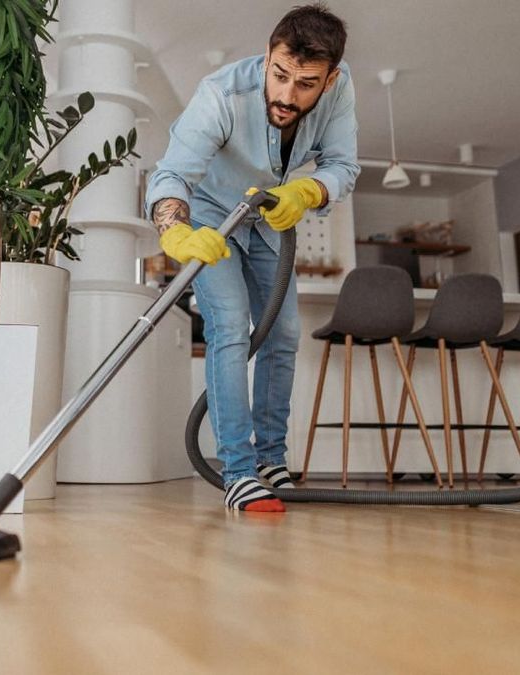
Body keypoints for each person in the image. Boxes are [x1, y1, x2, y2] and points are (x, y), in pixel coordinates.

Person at [144, 3, 360, 512]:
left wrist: (308, 191)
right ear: (267, 56)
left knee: (283, 335)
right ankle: (239, 471)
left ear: (328, 81)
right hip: (209, 219)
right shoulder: (221, 93)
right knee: (231, 329)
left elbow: (343, 165)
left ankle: (270, 461)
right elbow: (172, 174)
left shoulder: (341, 89)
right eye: (280, 74)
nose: (287, 95)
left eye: (306, 83)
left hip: (267, 217)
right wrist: (174, 231)